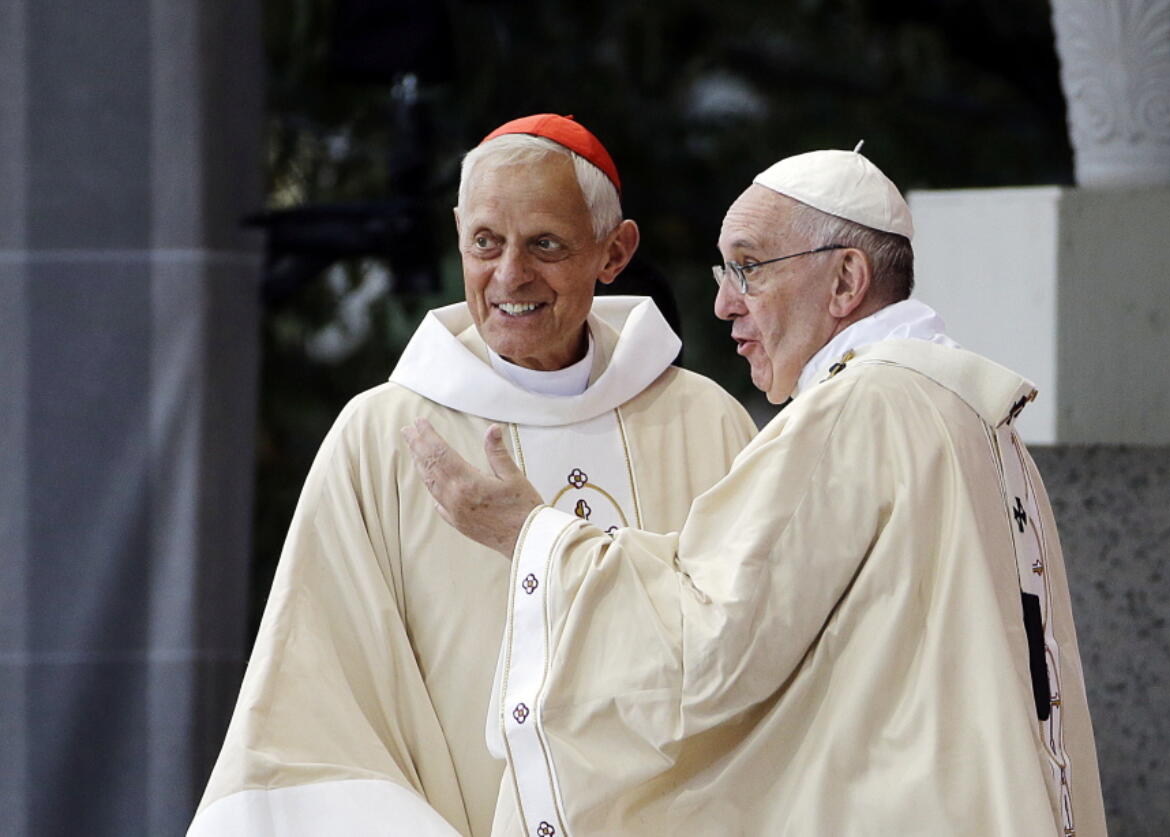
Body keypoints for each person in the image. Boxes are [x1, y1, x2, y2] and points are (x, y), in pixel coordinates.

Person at [406, 147, 1109, 835]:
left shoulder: (855, 412)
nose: (721, 304)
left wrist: (533, 537)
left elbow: (709, 646)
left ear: (844, 282)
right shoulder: (970, 415)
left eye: (748, 267)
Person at [187, 114, 757, 836]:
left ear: (614, 253)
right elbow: (315, 699)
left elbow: (756, 660)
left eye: (545, 244)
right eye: (486, 243)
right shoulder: (382, 439)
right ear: (459, 235)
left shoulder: (704, 426)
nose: (510, 275)